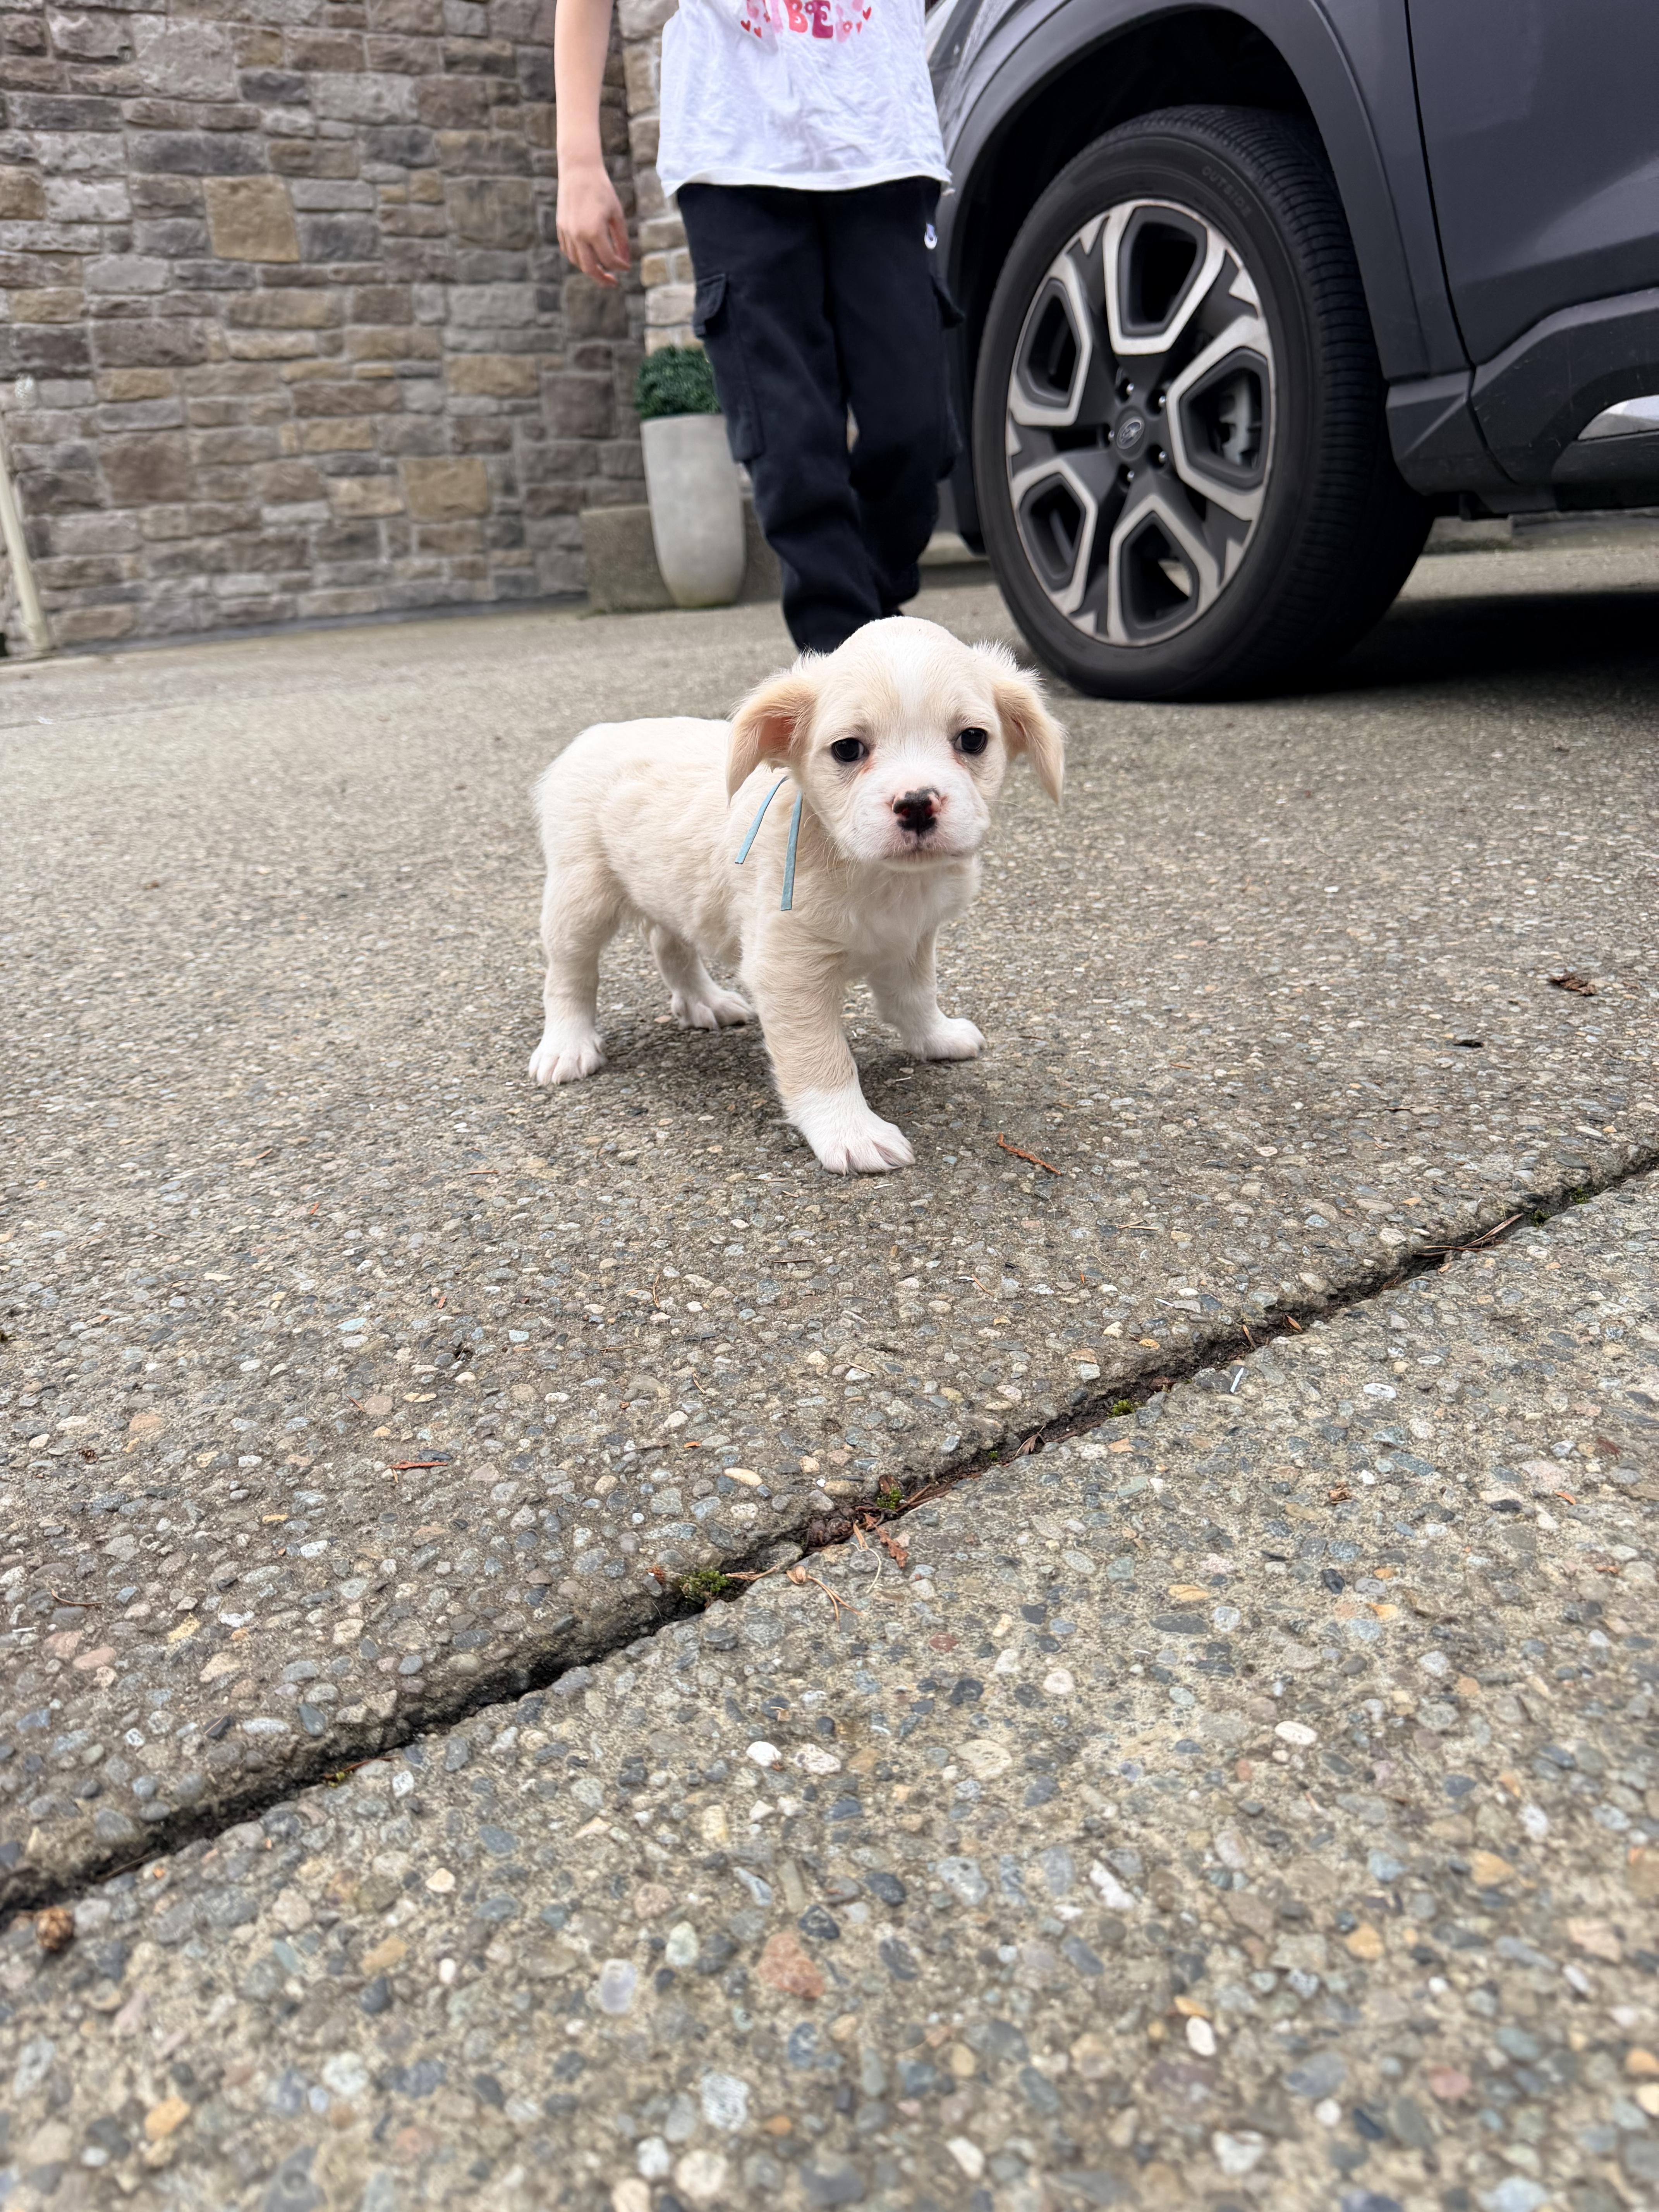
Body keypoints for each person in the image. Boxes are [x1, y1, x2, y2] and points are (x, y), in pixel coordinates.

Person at [555, 0, 958, 653]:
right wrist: (578, 160)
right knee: (789, 439)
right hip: (733, 154)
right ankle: (837, 652)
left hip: (881, 142)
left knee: (914, 429)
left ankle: (873, 620)